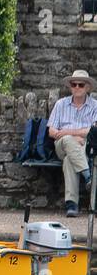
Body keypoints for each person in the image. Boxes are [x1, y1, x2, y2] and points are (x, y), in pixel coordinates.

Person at [47, 69, 97, 217]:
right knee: (68, 141)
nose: (76, 87)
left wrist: (68, 132)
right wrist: (74, 135)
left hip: (86, 146)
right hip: (62, 144)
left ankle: (72, 204)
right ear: (70, 87)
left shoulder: (95, 105)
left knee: (70, 160)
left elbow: (93, 131)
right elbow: (51, 131)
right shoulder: (60, 104)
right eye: (74, 84)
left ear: (87, 87)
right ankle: (88, 175)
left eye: (80, 85)